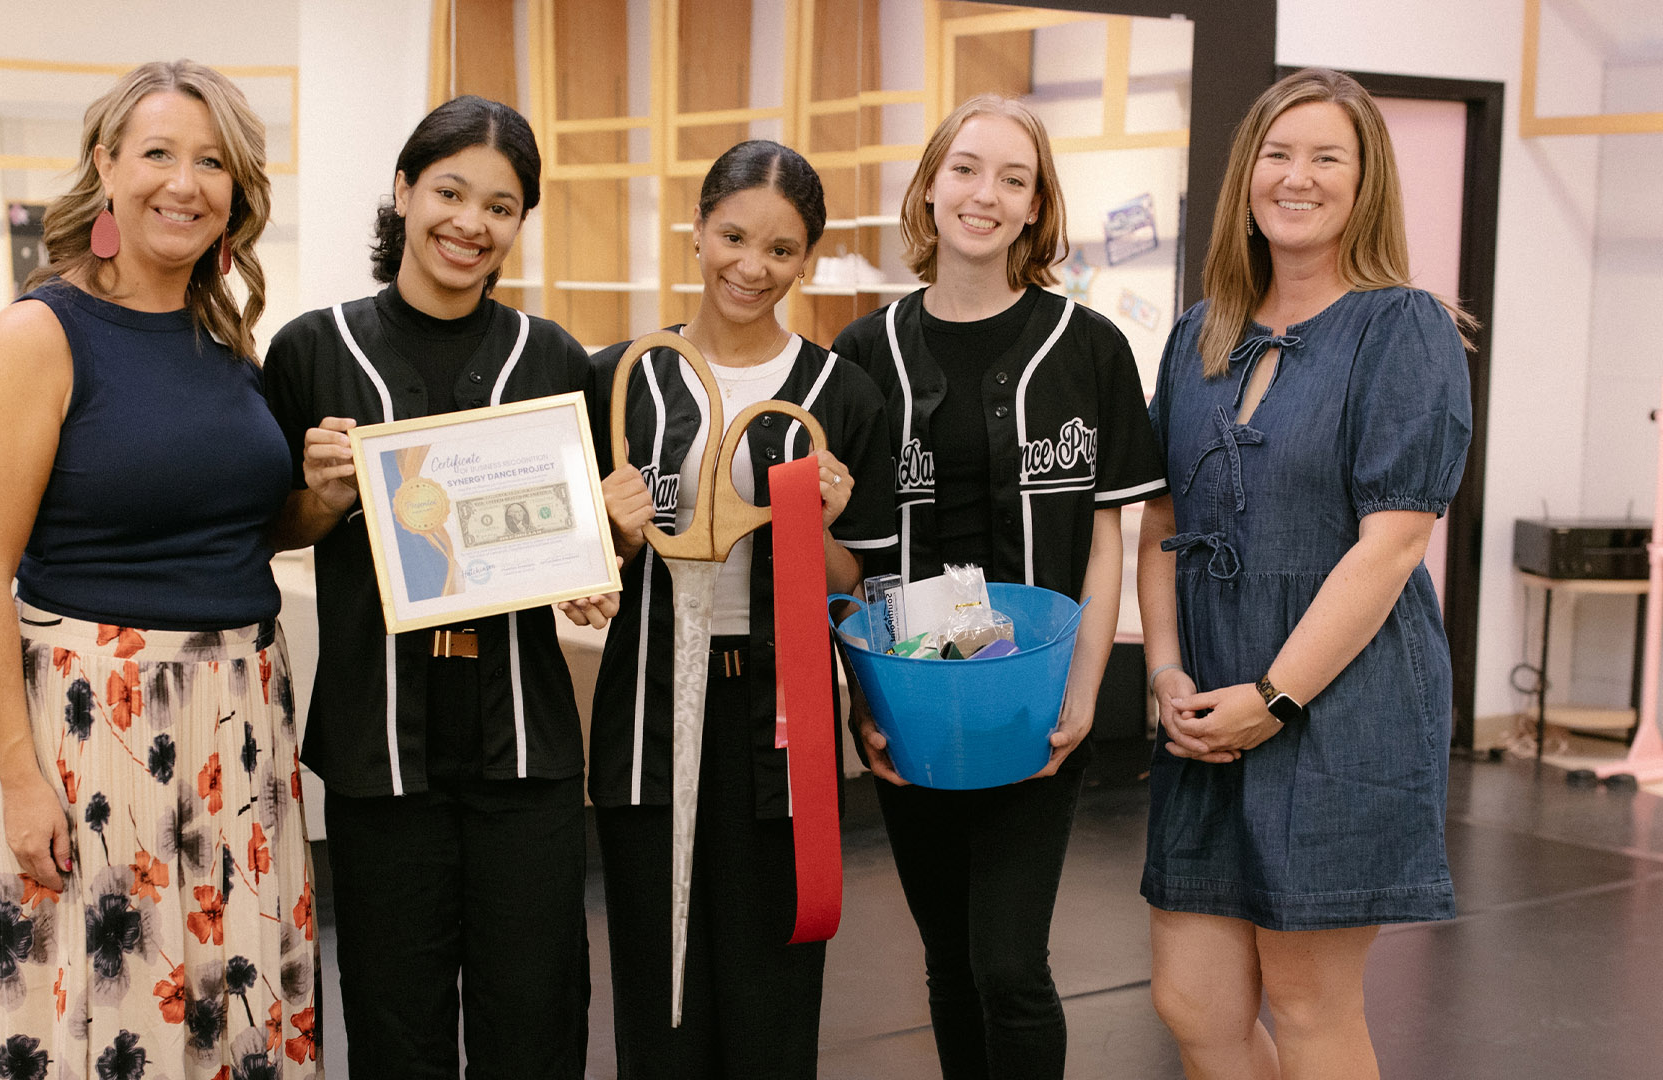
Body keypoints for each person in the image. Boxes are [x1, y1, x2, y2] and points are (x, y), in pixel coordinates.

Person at [0, 61, 320, 1079]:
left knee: (231, 1012)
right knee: (117, 1015)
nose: (184, 183)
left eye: (213, 163)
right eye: (158, 153)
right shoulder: (42, 332)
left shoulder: (222, 335)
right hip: (98, 729)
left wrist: (320, 503)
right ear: (107, 166)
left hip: (242, 715)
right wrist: (21, 779)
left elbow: (232, 528)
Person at [1137, 67, 1472, 1079]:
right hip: (1207, 705)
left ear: (1364, 183)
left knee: (1309, 1001)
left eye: (1329, 157)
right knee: (1192, 1003)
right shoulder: (1199, 332)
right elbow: (1162, 521)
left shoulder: (1403, 326)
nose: (1299, 177)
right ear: (1247, 175)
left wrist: (1275, 698)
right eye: (1279, 154)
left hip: (1340, 702)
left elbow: (1394, 545)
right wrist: (1165, 675)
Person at [262, 95, 602, 1079]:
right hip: (381, 744)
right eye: (451, 191)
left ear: (520, 222)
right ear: (405, 191)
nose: (471, 223)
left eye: (501, 205)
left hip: (526, 742)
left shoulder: (553, 360)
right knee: (396, 1019)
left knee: (534, 1017)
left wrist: (592, 573)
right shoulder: (312, 350)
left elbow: (577, 541)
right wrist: (320, 502)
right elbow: (269, 527)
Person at [831, 94, 1169, 1079]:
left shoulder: (1089, 349)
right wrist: (865, 703)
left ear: (1036, 209)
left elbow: (1109, 540)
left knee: (1010, 964)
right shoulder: (861, 356)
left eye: (1013, 179)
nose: (985, 194)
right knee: (947, 962)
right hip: (909, 697)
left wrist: (1082, 694)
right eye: (968, 169)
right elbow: (845, 556)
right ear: (930, 186)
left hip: (1035, 700)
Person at [588, 139, 895, 1079]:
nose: (751, 268)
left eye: (781, 250)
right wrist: (613, 533)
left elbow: (854, 580)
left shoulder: (842, 393)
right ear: (697, 229)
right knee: (660, 990)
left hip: (781, 717)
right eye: (733, 236)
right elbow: (580, 568)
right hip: (647, 710)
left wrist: (823, 525)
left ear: (807, 259)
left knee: (772, 989)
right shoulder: (619, 376)